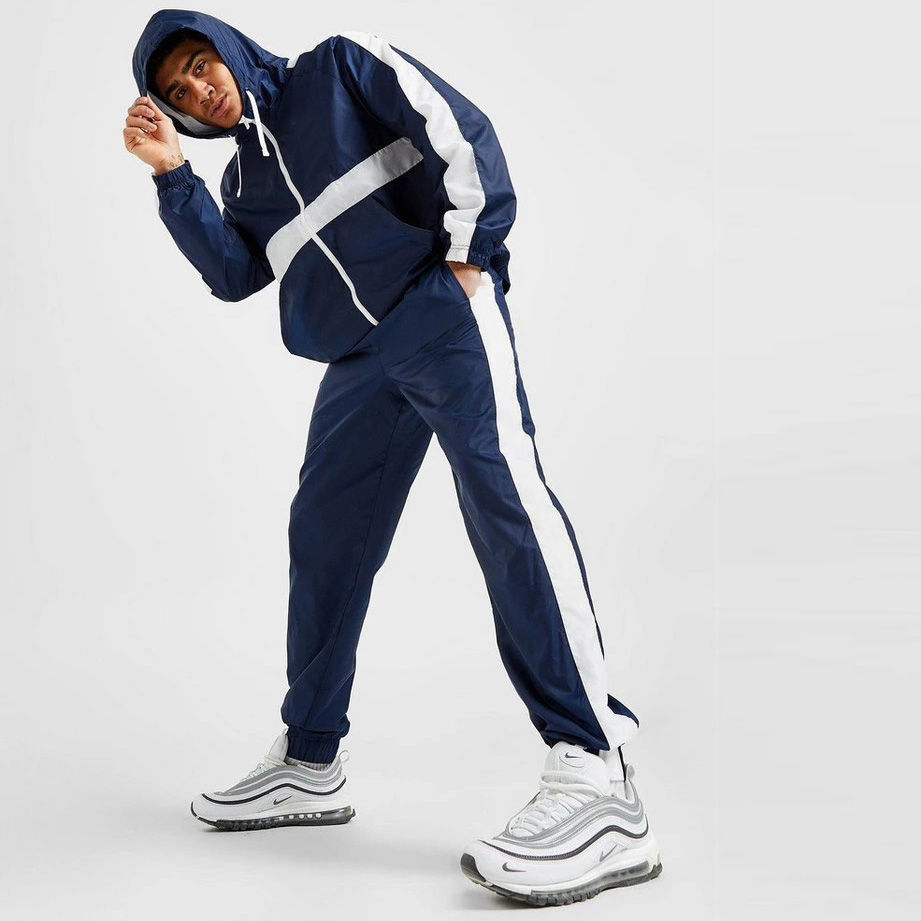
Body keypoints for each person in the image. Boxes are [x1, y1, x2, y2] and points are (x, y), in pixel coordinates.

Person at [125, 9, 661, 906]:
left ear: (228, 48)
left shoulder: (337, 68)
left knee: (504, 507)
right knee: (324, 537)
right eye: (178, 92)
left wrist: (470, 257)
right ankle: (309, 760)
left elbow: (460, 131)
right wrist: (173, 176)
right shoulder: (243, 180)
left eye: (199, 64)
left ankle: (596, 767)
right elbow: (234, 274)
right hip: (357, 357)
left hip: (436, 309)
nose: (198, 90)